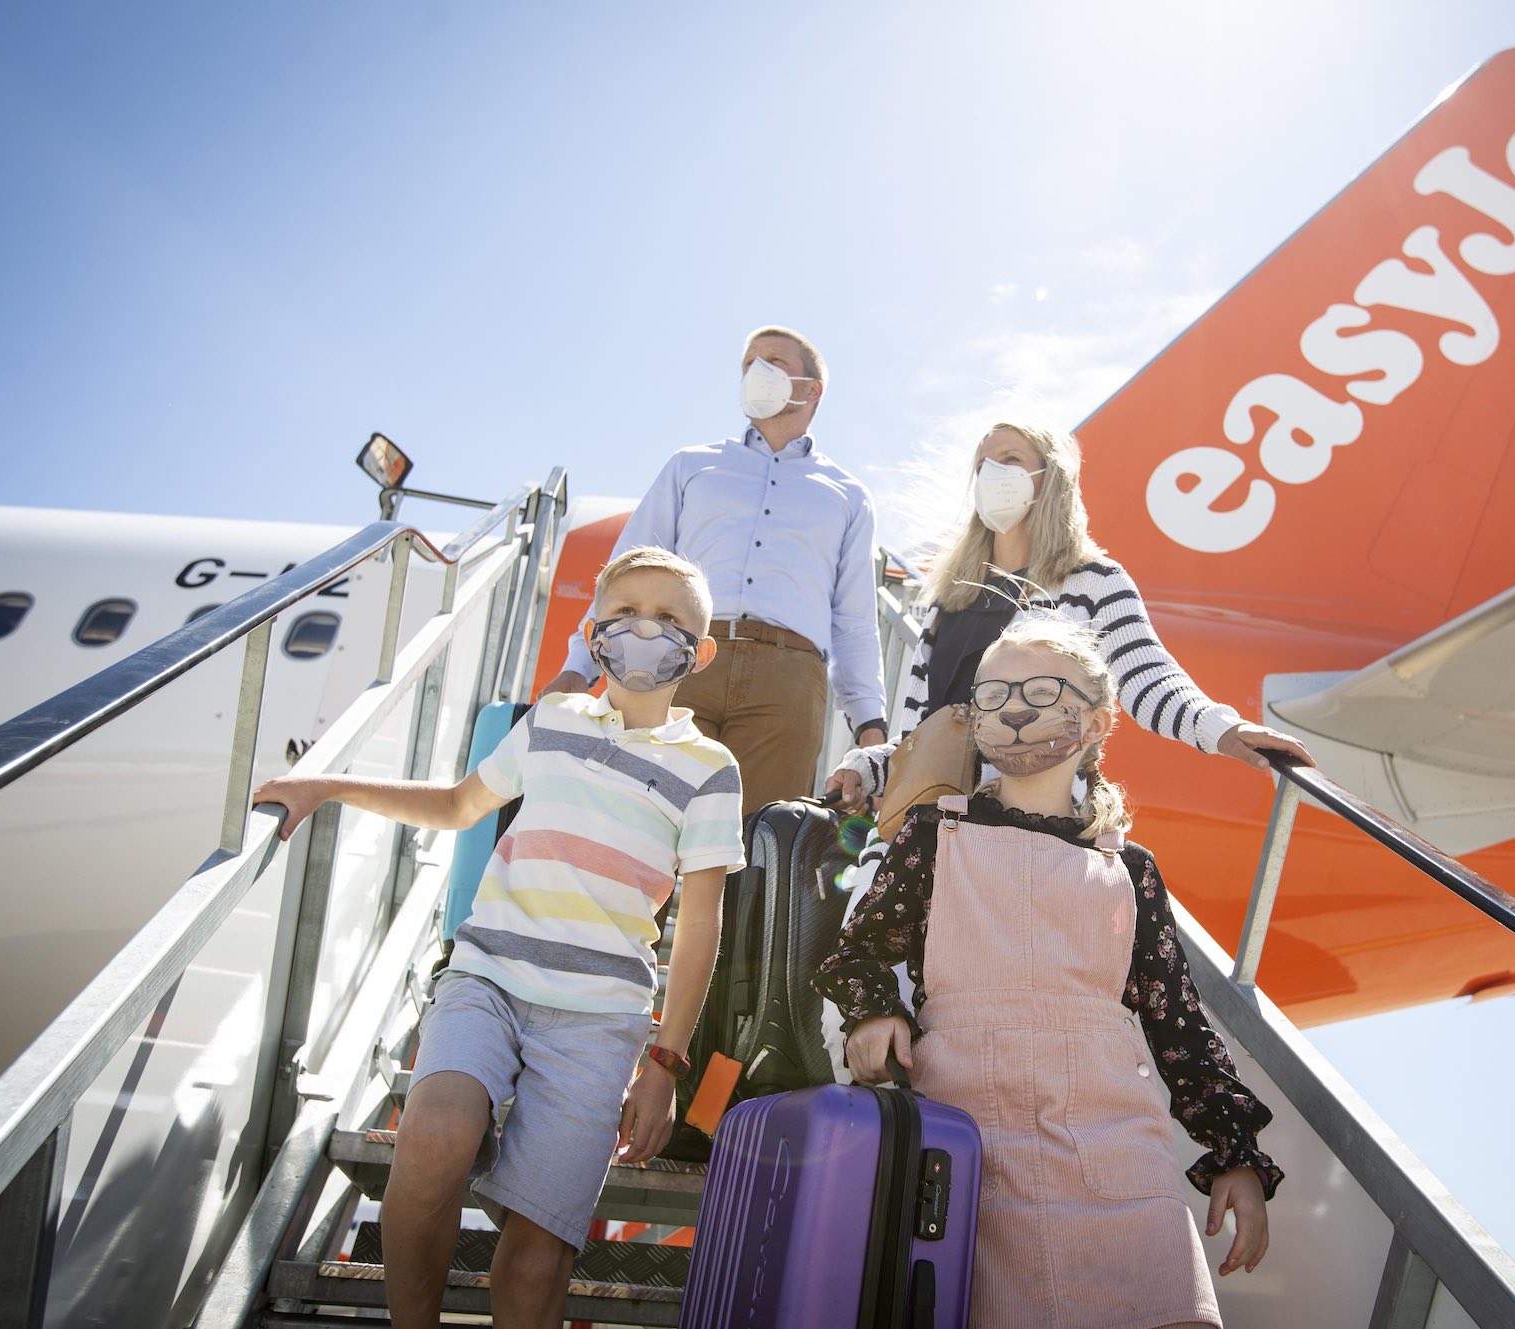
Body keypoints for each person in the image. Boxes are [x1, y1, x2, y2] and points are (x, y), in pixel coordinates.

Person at [253, 547, 744, 1329]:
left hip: (598, 1020)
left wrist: (665, 1062)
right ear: (594, 633)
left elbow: (701, 928)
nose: (646, 629)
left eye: (671, 619)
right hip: (488, 980)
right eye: (625, 614)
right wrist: (328, 785)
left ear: (701, 648)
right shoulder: (549, 724)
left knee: (531, 1269)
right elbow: (456, 806)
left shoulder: (710, 768)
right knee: (437, 1132)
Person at [815, 616, 1276, 1329]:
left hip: (1117, 1142)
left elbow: (1176, 1022)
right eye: (993, 694)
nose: (1013, 709)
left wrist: (1234, 1153)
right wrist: (876, 1009)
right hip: (973, 1142)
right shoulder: (934, 833)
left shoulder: (1131, 869)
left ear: (1095, 720)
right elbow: (860, 950)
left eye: (1036, 690)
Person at [824, 421, 1309, 818]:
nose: (992, 472)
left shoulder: (1093, 580)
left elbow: (1147, 678)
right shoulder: (949, 598)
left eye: (1010, 459)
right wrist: (865, 768)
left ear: (1049, 477)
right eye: (982, 464)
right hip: (922, 831)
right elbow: (922, 736)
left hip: (1026, 829)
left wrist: (1221, 728)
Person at [539, 325, 887, 816]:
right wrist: (579, 667)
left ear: (812, 390)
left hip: (790, 681)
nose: (756, 371)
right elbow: (626, 572)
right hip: (678, 657)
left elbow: (854, 622)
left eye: (773, 361)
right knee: (646, 824)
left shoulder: (849, 496)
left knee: (761, 844)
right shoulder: (689, 466)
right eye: (748, 362)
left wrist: (870, 725)